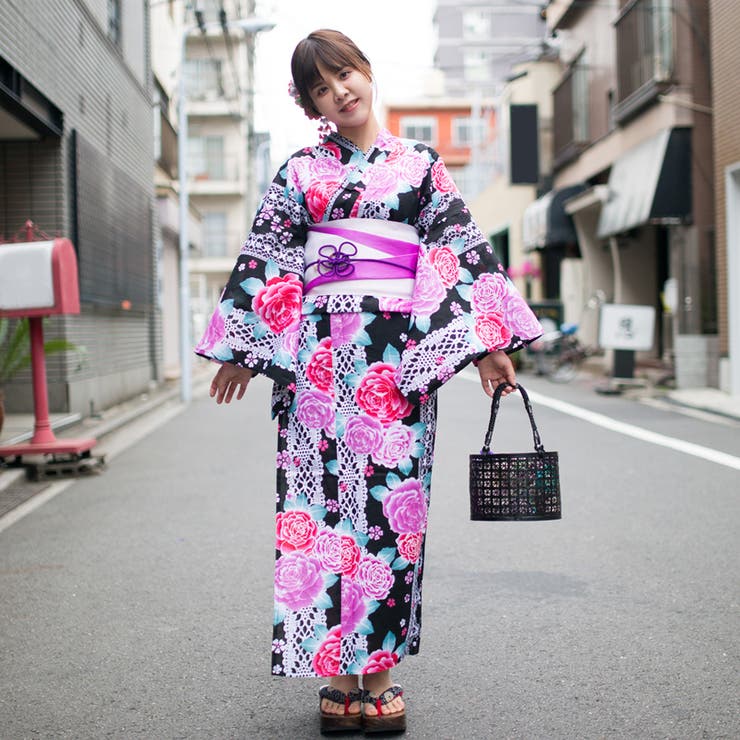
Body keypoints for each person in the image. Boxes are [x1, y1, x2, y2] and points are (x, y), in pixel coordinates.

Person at [195, 29, 542, 735]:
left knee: (392, 516)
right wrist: (243, 346)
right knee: (321, 516)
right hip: (318, 368)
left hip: (397, 365)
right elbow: (271, 260)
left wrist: (487, 348)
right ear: (310, 104)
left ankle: (378, 676)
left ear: (366, 70)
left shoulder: (419, 168)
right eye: (321, 88)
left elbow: (454, 257)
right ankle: (333, 673)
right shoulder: (299, 173)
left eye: (344, 75)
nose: (339, 93)